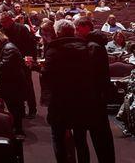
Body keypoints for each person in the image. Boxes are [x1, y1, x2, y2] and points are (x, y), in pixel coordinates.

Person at [42, 19, 104, 163]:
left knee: (59, 140)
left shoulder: (53, 50)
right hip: (81, 101)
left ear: (57, 33)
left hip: (60, 103)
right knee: (81, 140)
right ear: (73, 31)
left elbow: (50, 79)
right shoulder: (85, 48)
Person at [74, 16, 116, 162]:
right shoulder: (94, 44)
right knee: (102, 137)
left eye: (78, 28)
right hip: (98, 97)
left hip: (95, 98)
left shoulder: (92, 46)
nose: (76, 31)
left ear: (86, 27)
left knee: (101, 138)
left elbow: (90, 74)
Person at [0, 31, 26, 135]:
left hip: (13, 83)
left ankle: (18, 130)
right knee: (12, 106)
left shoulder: (9, 48)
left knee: (14, 106)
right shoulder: (7, 47)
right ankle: (14, 127)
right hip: (11, 81)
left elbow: (5, 65)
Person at [0, 11, 37, 118]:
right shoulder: (2, 31)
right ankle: (20, 110)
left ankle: (32, 110)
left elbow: (32, 44)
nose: (2, 24)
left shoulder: (22, 28)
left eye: (3, 22)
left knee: (28, 86)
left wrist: (32, 59)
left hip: (24, 62)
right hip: (10, 64)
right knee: (16, 88)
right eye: (1, 22)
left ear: (10, 20)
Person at [117, 68, 135, 136]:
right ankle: (128, 128)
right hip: (130, 97)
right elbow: (126, 81)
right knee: (127, 104)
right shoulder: (131, 78)